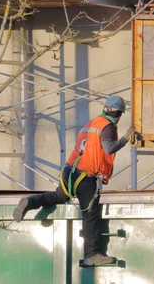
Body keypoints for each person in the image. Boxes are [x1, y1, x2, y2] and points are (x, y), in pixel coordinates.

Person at [13, 95, 134, 265]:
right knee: (90, 214)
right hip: (85, 176)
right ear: (118, 113)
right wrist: (125, 138)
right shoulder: (108, 126)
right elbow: (108, 149)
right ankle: (92, 254)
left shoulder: (91, 124)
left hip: (70, 171)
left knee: (58, 196)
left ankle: (31, 201)